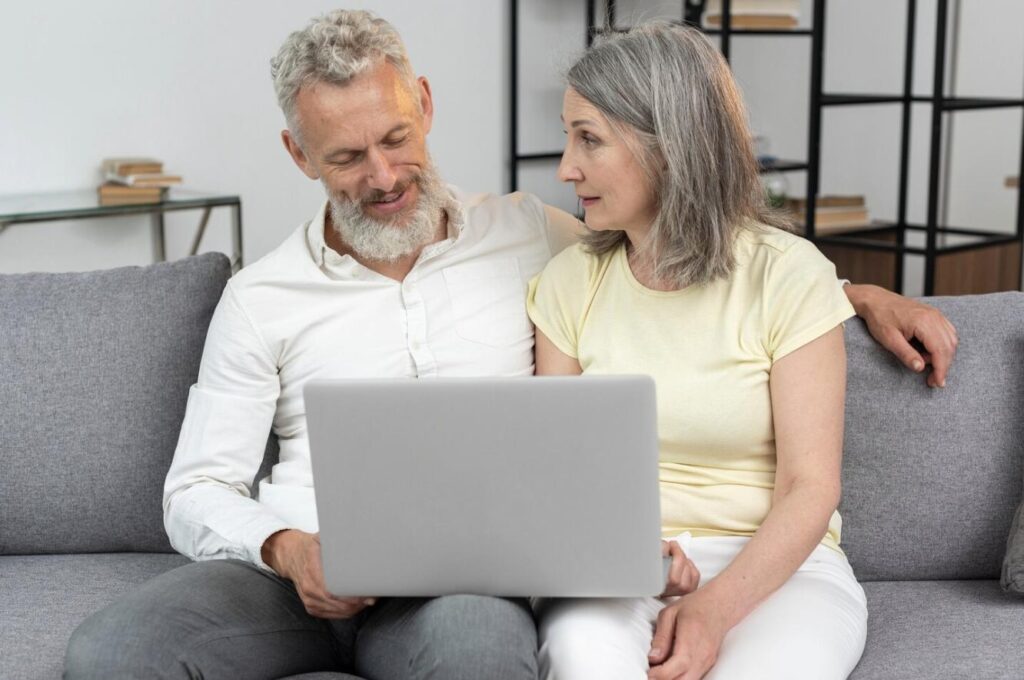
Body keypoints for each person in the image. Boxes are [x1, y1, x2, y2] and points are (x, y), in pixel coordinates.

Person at [64, 10, 955, 679]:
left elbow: (691, 261)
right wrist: (291, 549)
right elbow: (196, 490)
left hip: (458, 582)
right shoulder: (258, 298)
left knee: (480, 651)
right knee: (109, 652)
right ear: (300, 156)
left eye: (396, 138)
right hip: (298, 570)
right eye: (344, 157)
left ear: (426, 106)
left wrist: (854, 292)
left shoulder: (531, 236)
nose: (381, 177)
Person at [527, 21, 889, 680]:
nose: (565, 168)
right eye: (566, 135)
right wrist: (629, 555)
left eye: (589, 139)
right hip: (621, 567)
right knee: (583, 663)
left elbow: (811, 488)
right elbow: (563, 479)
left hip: (778, 568)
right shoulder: (567, 282)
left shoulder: (787, 274)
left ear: (668, 147)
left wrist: (712, 611)